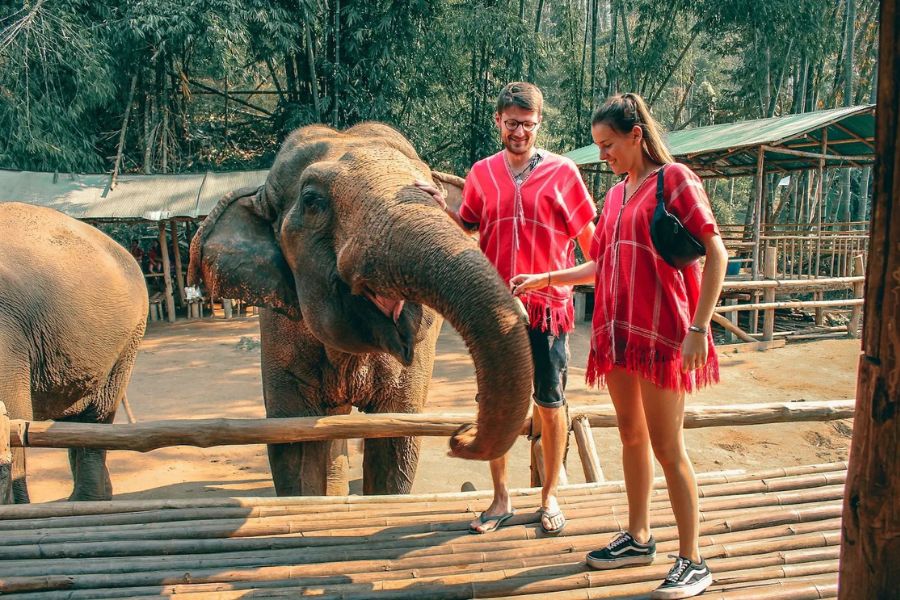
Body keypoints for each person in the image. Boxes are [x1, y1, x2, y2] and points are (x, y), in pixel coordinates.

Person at [511, 93, 727, 599]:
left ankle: (693, 559)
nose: (602, 155)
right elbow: (600, 264)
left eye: (608, 145)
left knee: (668, 447)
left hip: (663, 333)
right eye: (597, 147)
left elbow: (715, 251)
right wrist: (545, 277)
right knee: (631, 436)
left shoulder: (675, 180)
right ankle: (639, 536)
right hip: (618, 332)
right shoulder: (615, 196)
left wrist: (700, 328)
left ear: (636, 135)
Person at [416, 82, 597, 536]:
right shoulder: (481, 173)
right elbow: (467, 229)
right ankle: (499, 499)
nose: (519, 132)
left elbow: (593, 247)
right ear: (498, 121)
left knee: (551, 405)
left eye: (528, 124)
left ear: (540, 125)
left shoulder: (564, 172)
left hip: (549, 311)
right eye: (512, 123)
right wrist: (442, 209)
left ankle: (550, 495)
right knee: (495, 404)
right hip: (494, 311)